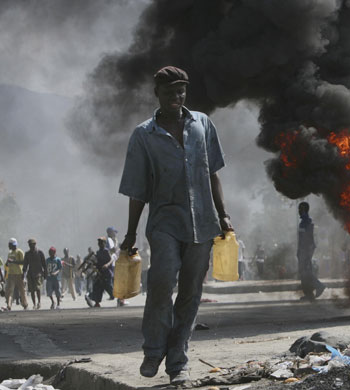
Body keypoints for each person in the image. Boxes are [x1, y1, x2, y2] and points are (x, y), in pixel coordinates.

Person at [118, 65, 233, 385]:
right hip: (165, 221)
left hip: (203, 222)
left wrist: (223, 215)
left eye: (181, 91)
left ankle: (178, 361)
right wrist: (130, 233)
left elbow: (213, 173)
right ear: (157, 93)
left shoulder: (203, 124)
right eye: (170, 92)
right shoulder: (144, 135)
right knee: (161, 281)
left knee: (191, 293)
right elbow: (137, 189)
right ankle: (154, 350)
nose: (177, 97)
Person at [297, 202, 325, 301]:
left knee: (306, 272)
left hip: (305, 250)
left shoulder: (306, 221)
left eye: (300, 209)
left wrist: (304, 251)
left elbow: (307, 239)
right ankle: (309, 294)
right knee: (303, 272)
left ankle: (319, 286)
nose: (298, 211)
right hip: (304, 250)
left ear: (304, 209)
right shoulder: (304, 222)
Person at [85, 237, 114, 308]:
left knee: (109, 287)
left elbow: (111, 259)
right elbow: (97, 262)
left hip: (107, 273)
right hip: (100, 273)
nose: (100, 244)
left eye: (101, 242)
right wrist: (92, 264)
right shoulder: (98, 252)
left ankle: (118, 298)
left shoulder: (106, 251)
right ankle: (96, 302)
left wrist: (107, 265)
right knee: (97, 287)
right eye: (99, 243)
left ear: (104, 243)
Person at [4, 238, 28, 310]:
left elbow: (23, 262)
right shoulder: (9, 253)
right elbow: (8, 263)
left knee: (22, 290)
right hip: (11, 274)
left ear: (13, 245)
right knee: (9, 290)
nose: (9, 246)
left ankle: (25, 304)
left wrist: (13, 261)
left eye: (10, 245)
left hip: (19, 274)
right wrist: (7, 264)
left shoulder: (19, 252)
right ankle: (9, 305)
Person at [23, 238, 47, 310]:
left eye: (31, 244)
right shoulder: (27, 254)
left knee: (38, 288)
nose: (30, 246)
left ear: (35, 244)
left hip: (38, 273)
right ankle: (34, 304)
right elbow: (25, 264)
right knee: (32, 290)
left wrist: (45, 273)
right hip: (30, 274)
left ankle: (39, 302)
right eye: (29, 245)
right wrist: (23, 273)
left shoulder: (40, 253)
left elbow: (44, 264)